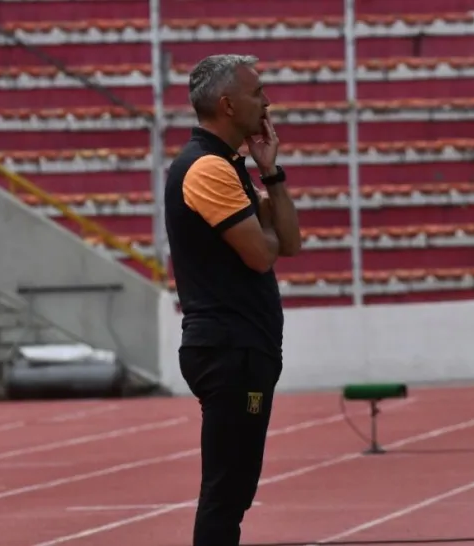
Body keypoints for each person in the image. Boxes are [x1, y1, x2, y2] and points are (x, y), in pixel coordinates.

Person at [163, 54, 302, 546]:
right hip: (229, 350)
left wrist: (273, 174)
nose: (267, 102)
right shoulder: (206, 169)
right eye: (257, 92)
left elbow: (288, 240)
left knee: (233, 492)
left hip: (243, 348)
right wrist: (264, 228)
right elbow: (263, 255)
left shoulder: (231, 167)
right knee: (226, 494)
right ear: (227, 104)